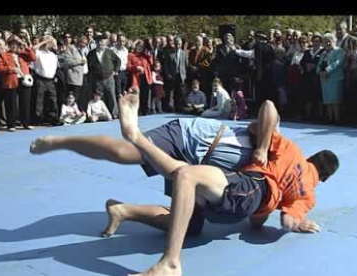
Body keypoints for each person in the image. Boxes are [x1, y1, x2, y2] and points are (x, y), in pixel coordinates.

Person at [91, 92, 338, 276]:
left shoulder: (291, 150)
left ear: (311, 158)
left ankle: (170, 262)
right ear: (324, 178)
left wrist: (263, 148)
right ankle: (124, 211)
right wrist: (296, 223)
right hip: (248, 196)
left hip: (250, 186)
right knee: (187, 207)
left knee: (187, 175)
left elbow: (269, 106)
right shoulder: (308, 195)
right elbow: (282, 221)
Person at [0, 35, 36, 131]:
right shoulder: (4, 55)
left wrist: (25, 45)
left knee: (25, 103)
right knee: (11, 104)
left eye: (16, 44)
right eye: (12, 44)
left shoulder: (23, 54)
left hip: (24, 80)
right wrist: (11, 69)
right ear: (9, 45)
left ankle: (26, 123)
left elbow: (33, 58)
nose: (14, 46)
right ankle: (11, 124)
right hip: (11, 81)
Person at [87, 35, 121, 119]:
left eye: (102, 41)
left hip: (109, 78)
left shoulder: (109, 52)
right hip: (97, 79)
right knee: (99, 98)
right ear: (96, 43)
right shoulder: (91, 54)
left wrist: (115, 70)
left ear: (105, 42)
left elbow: (118, 61)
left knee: (111, 96)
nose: (100, 43)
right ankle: (101, 115)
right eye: (98, 41)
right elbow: (88, 66)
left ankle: (114, 114)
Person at [317, 33, 346, 125]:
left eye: (329, 41)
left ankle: (337, 119)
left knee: (335, 100)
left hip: (335, 78)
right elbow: (319, 64)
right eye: (325, 42)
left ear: (334, 41)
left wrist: (327, 71)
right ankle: (330, 118)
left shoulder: (339, 51)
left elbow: (337, 63)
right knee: (328, 100)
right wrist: (319, 72)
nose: (328, 43)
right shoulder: (324, 53)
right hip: (324, 79)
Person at [31, 35, 59, 126]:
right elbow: (32, 49)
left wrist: (53, 41)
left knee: (52, 100)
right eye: (46, 42)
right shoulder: (38, 52)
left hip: (50, 80)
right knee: (38, 100)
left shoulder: (53, 55)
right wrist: (43, 42)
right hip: (40, 78)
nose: (48, 44)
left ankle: (53, 118)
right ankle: (37, 119)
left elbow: (56, 49)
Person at [300, 34, 325, 121]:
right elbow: (302, 62)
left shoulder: (323, 52)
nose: (315, 43)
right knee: (308, 97)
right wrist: (306, 65)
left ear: (321, 42)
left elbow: (324, 63)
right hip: (308, 78)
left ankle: (320, 116)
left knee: (319, 97)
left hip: (318, 78)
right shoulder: (307, 52)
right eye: (314, 41)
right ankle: (308, 115)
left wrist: (315, 66)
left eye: (317, 41)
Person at [127, 39, 153, 115]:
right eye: (139, 46)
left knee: (145, 95)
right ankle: (137, 111)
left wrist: (149, 55)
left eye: (142, 46)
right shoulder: (131, 55)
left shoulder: (145, 55)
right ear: (136, 46)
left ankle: (144, 110)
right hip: (136, 78)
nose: (140, 48)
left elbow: (151, 63)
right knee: (136, 95)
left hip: (146, 77)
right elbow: (128, 66)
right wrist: (136, 67)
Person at [110, 34, 129, 101]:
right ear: (117, 41)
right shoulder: (112, 50)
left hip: (125, 72)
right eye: (120, 41)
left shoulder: (126, 50)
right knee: (117, 92)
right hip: (117, 73)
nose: (121, 43)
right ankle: (117, 109)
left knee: (123, 92)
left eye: (123, 41)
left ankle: (122, 108)